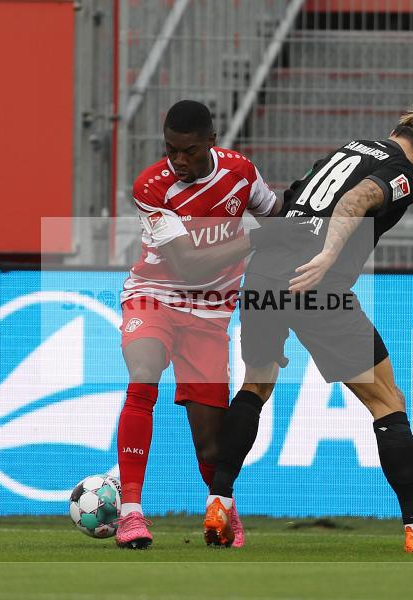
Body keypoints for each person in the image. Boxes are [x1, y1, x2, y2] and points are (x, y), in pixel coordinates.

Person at [202, 95, 413, 553]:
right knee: (388, 401)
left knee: (256, 385)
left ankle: (219, 500)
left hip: (265, 270)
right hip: (316, 283)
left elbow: (291, 201)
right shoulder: (408, 173)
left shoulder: (350, 147)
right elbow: (357, 198)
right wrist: (327, 253)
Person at [115, 99, 288, 549]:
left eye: (189, 151)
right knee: (142, 378)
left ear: (211, 142)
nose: (179, 161)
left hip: (211, 313)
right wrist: (254, 238)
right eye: (171, 149)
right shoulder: (152, 187)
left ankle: (222, 511)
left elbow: (277, 214)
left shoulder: (241, 172)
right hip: (155, 296)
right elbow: (187, 267)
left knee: (212, 447)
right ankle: (131, 514)